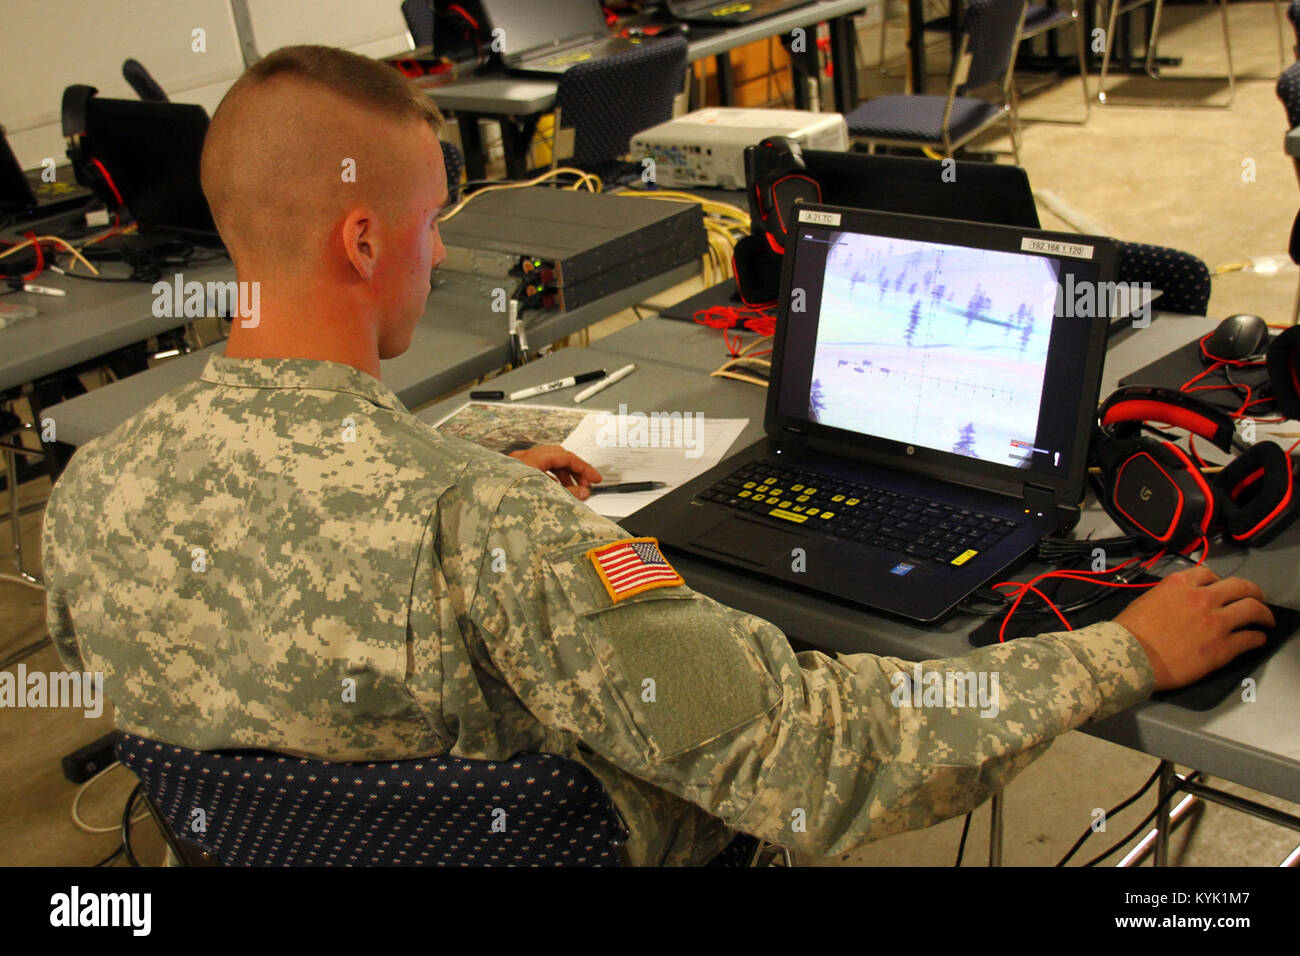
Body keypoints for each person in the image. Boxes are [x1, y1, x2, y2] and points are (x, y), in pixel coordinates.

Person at [42, 45, 1274, 867]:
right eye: (431, 228)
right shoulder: (500, 535)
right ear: (365, 240)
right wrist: (1120, 651)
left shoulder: (91, 487)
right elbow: (814, 753)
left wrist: (462, 469)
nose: (441, 258)